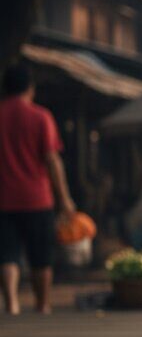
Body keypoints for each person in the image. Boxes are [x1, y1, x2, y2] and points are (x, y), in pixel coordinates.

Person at [0, 63, 76, 315]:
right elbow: (53, 160)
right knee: (41, 255)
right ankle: (42, 305)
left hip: (3, 199)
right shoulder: (41, 116)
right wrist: (65, 199)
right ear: (30, 88)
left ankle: (11, 303)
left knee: (7, 254)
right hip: (37, 198)